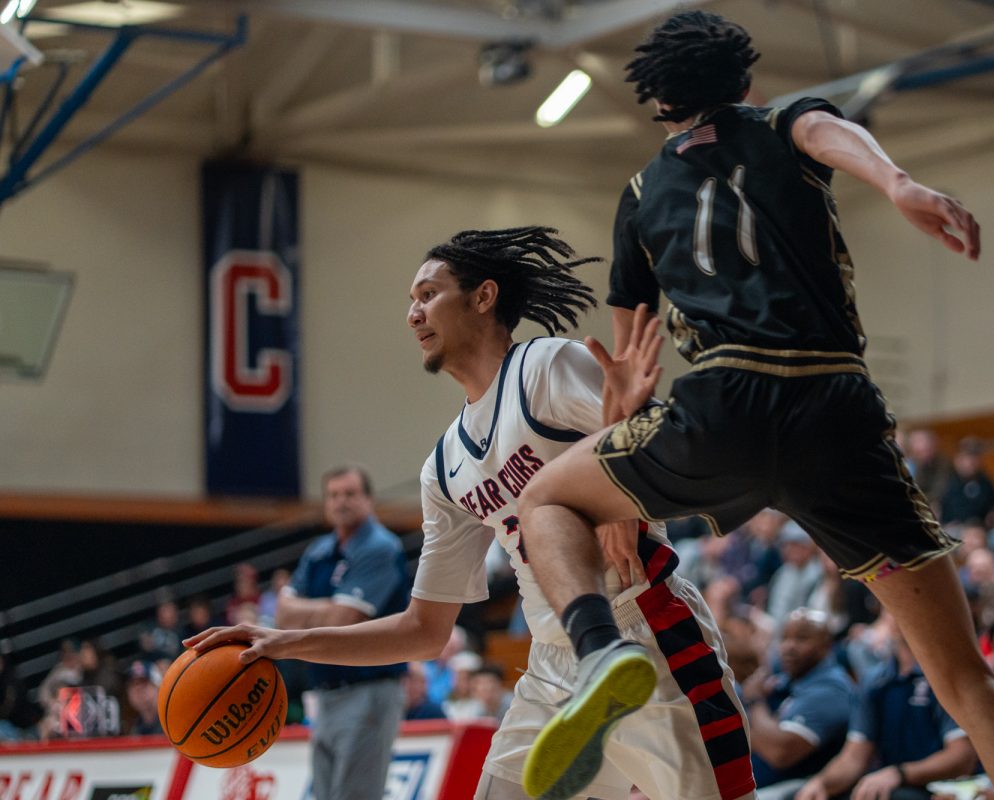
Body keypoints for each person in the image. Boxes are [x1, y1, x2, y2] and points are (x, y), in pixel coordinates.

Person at [510, 10, 994, 800]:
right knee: (967, 684)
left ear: (660, 103)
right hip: (830, 406)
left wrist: (620, 503)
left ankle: (601, 651)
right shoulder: (785, 120)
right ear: (744, 82)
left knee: (543, 497)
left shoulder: (638, 194)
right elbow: (833, 138)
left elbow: (628, 366)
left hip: (718, 411)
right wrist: (898, 183)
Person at [187, 227, 755, 800]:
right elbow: (424, 629)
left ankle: (607, 665)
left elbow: (658, 444)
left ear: (483, 297)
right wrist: (283, 641)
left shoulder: (546, 368)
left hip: (649, 634)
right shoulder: (445, 466)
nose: (413, 314)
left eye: (428, 294)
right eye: (410, 301)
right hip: (554, 666)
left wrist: (619, 490)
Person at [278, 465, 410, 800]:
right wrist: (328, 608)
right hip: (324, 691)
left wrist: (310, 610)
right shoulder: (319, 551)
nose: (341, 502)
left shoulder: (381, 547)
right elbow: (283, 616)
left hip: (369, 689)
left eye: (350, 494)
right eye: (334, 495)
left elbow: (344, 619)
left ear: (368, 499)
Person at [794, 632, 978, 800]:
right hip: (893, 782)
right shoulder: (875, 680)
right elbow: (854, 757)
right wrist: (822, 783)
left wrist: (899, 773)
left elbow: (962, 758)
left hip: (945, 787)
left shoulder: (947, 674)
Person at [740, 609, 853, 799]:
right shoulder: (785, 679)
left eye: (801, 639)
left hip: (799, 788)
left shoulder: (831, 689)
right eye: (784, 638)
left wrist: (755, 701)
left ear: (826, 645)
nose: (789, 646)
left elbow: (779, 753)